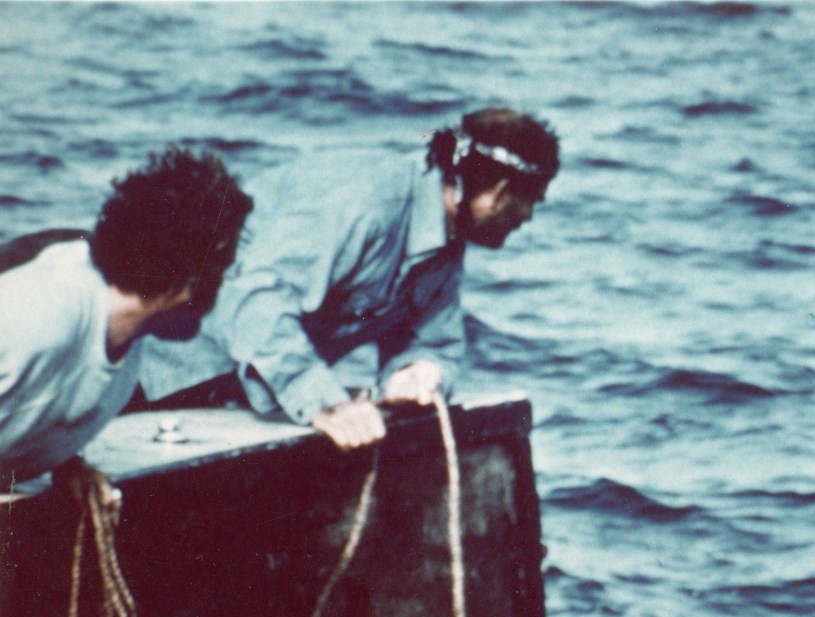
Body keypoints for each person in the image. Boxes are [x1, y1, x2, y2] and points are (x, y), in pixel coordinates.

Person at [135, 106, 561, 450]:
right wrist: (326, 404)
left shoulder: (446, 240)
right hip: (152, 375)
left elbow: (436, 342)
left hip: (240, 399)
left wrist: (416, 371)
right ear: (501, 192)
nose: (528, 219)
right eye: (532, 202)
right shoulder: (366, 201)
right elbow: (256, 299)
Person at [0, 148, 252, 485]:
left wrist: (67, 466)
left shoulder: (123, 343)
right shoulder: (43, 313)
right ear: (189, 281)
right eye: (222, 267)